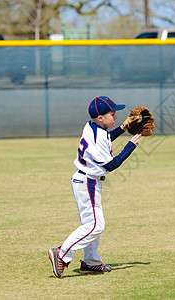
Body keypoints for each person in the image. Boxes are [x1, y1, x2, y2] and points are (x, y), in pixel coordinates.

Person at [48, 96, 142, 278]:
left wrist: (122, 128)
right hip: (87, 182)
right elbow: (111, 165)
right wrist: (131, 145)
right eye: (112, 114)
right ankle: (62, 253)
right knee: (96, 226)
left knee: (91, 223)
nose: (115, 117)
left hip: (86, 180)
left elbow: (106, 137)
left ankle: (90, 262)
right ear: (100, 117)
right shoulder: (97, 136)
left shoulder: (93, 127)